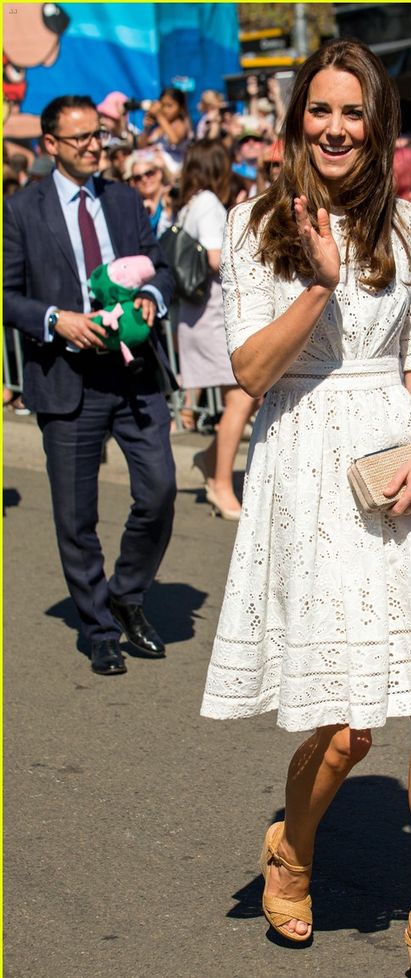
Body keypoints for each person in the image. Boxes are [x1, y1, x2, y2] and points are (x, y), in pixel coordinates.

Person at [200, 39, 411, 978]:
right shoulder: (257, 223)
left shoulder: (409, 224)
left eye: (350, 112)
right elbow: (248, 370)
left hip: (400, 467)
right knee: (349, 726)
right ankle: (292, 845)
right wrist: (321, 280)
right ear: (297, 124)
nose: (333, 128)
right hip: (309, 471)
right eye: (317, 111)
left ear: (376, 125)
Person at [3, 94, 176, 676]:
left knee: (159, 493)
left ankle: (126, 596)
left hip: (133, 371)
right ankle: (99, 627)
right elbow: (8, 294)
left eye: (98, 136)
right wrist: (58, 320)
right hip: (66, 377)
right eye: (80, 139)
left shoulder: (125, 199)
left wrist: (151, 300)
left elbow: (161, 265)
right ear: (49, 144)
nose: (94, 146)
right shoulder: (21, 209)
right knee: (76, 516)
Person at [174, 139, 259, 520]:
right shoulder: (208, 201)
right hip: (210, 313)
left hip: (199, 313)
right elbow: (215, 258)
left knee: (246, 394)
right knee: (243, 396)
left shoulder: (191, 201)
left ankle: (211, 462)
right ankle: (220, 483)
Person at [137, 87, 192, 173]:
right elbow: (141, 146)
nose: (165, 110)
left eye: (169, 106)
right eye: (163, 105)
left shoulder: (181, 124)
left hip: (174, 174)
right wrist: (146, 129)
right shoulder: (159, 128)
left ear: (180, 107)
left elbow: (175, 140)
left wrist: (159, 116)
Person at [127, 150, 173, 239]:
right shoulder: (135, 209)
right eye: (138, 178)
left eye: (149, 173)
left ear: (159, 173)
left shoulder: (173, 198)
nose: (144, 179)